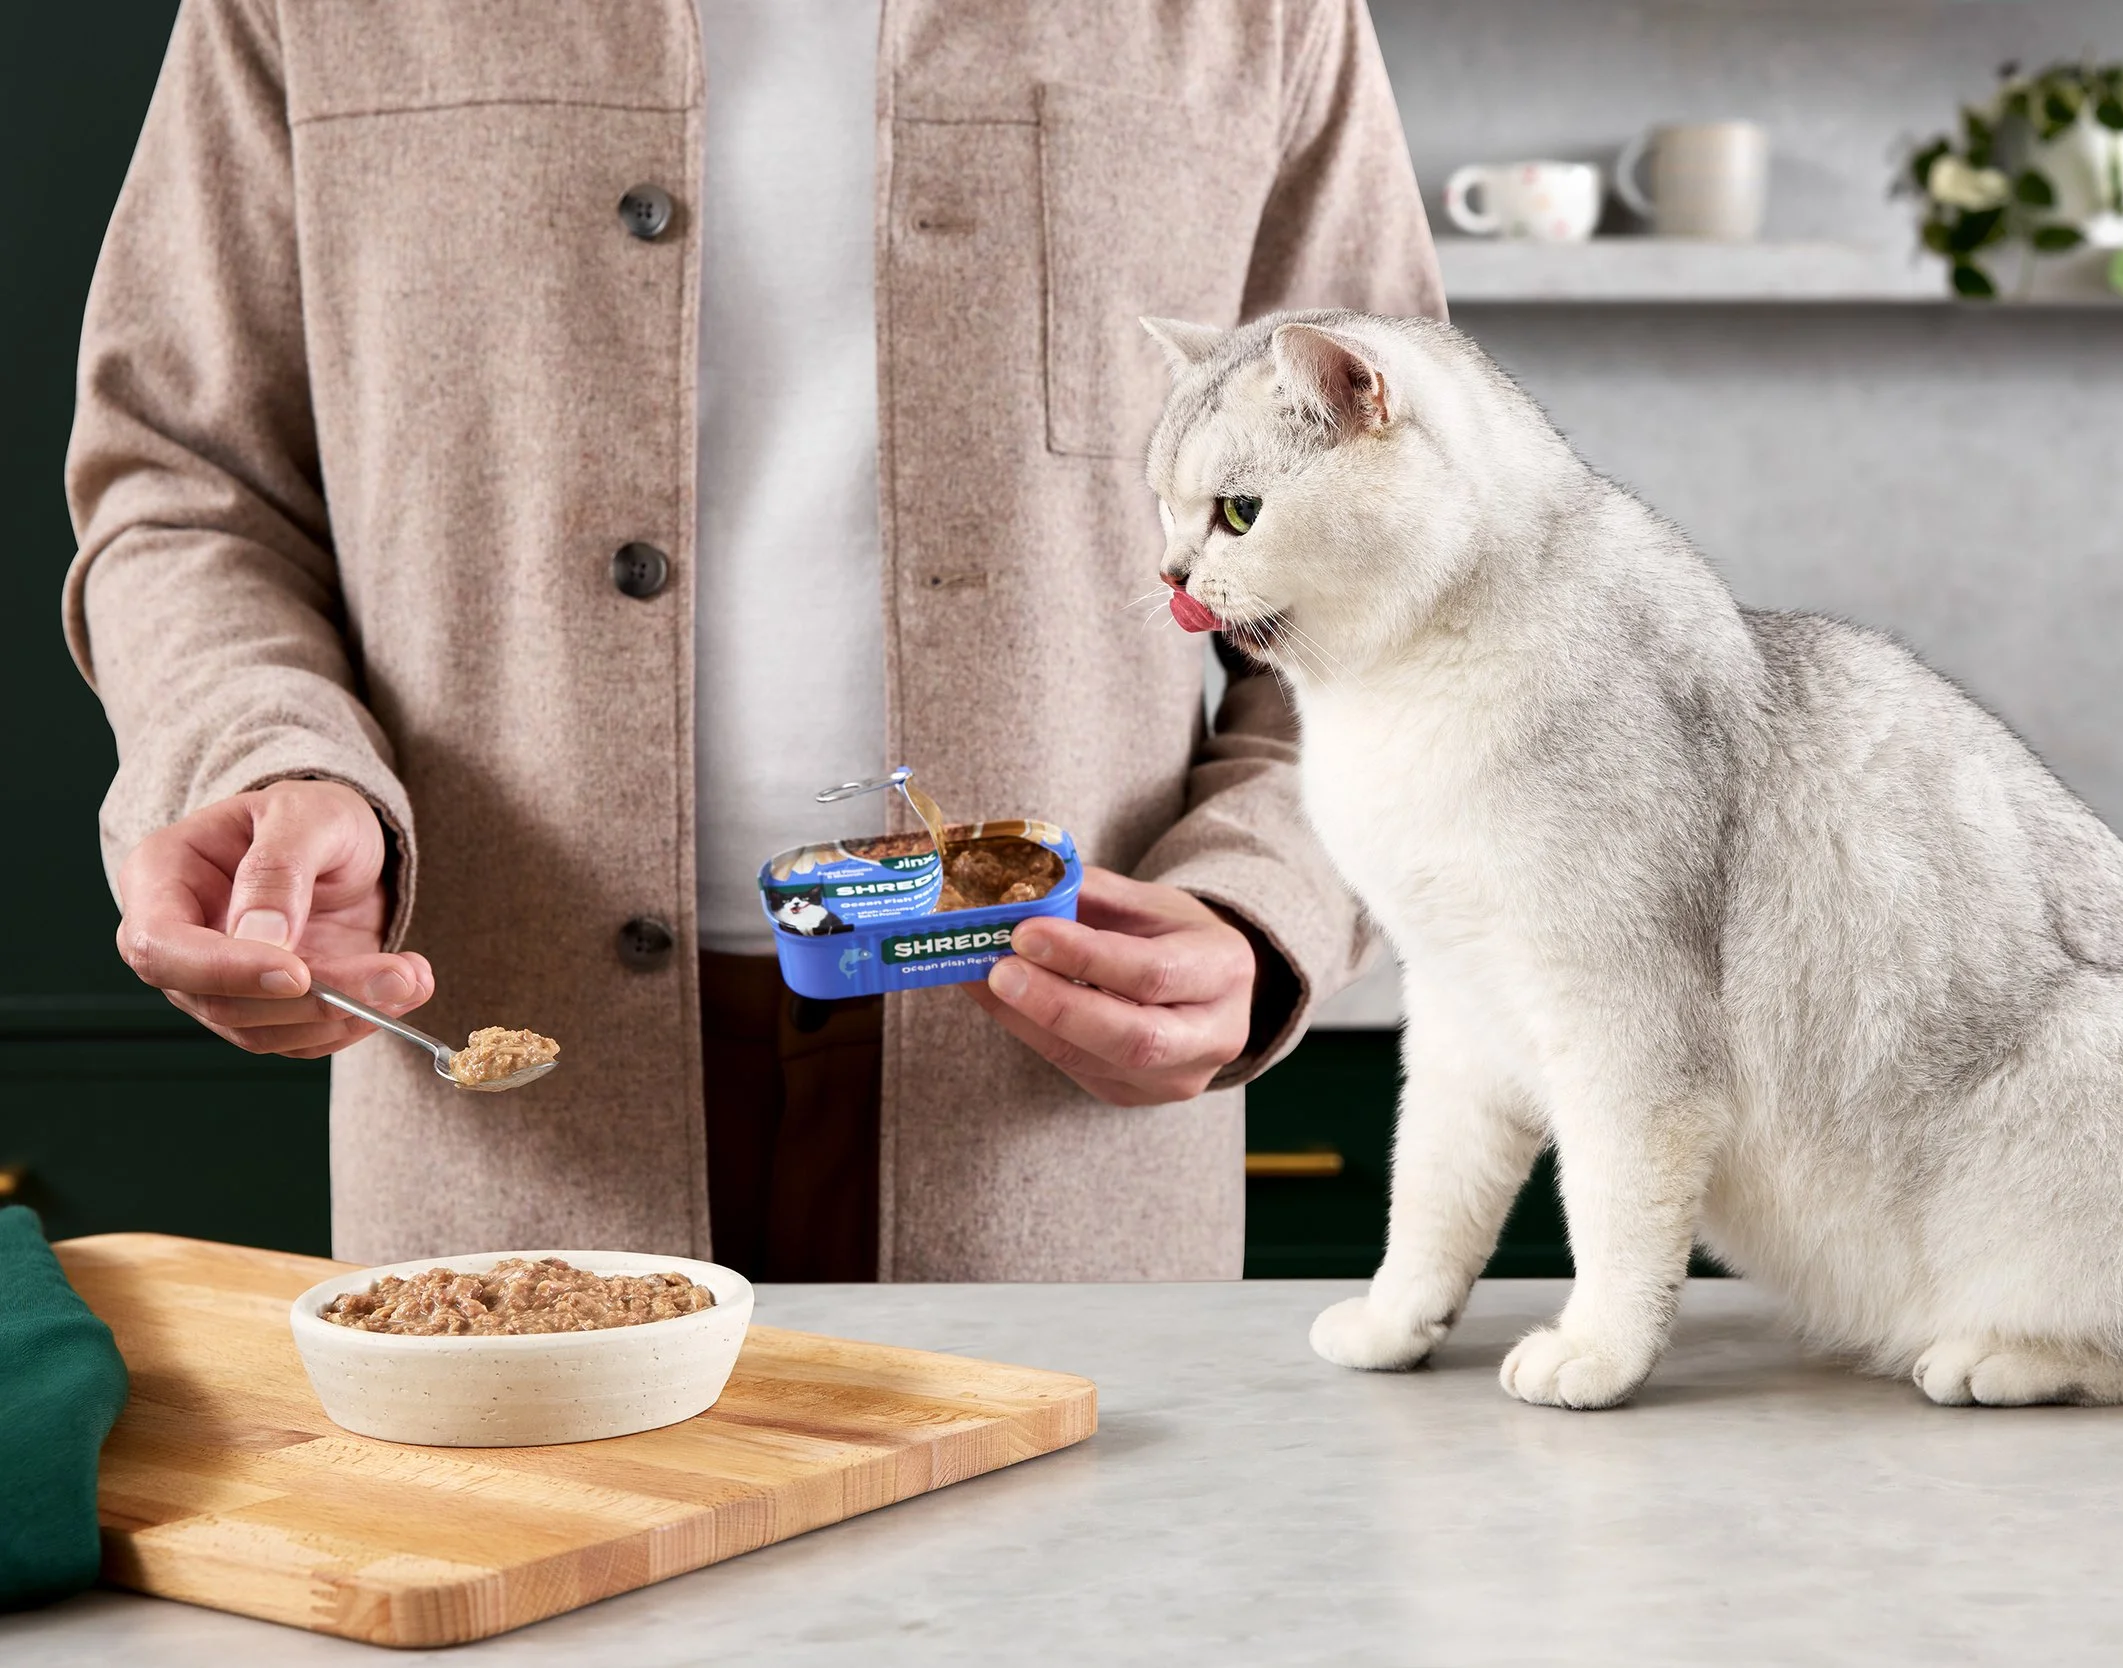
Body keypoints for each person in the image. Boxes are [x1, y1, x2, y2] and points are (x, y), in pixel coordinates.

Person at [65, 0, 1442, 1280]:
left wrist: (1261, 907)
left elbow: (1403, 550)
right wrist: (266, 756)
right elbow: (186, 482)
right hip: (503, 1107)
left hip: (1053, 1126)